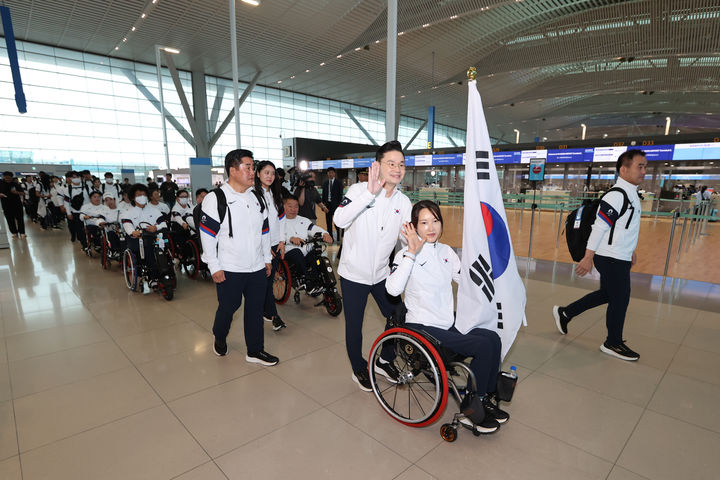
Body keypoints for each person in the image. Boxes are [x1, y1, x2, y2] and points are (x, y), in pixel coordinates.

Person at [386, 200, 507, 434]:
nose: (431, 227)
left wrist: (489, 279)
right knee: (482, 346)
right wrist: (411, 253)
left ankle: (486, 399)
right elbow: (392, 290)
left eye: (435, 221)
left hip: (448, 323)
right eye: (423, 222)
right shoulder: (404, 255)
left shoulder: (446, 252)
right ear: (413, 226)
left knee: (493, 337)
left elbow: (465, 282)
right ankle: (473, 410)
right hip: (422, 327)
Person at [553, 149, 647, 361]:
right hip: (610, 256)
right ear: (624, 169)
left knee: (608, 294)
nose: (643, 171)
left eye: (645, 167)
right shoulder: (616, 195)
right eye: (639, 166)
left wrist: (630, 250)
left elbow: (623, 228)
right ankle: (612, 342)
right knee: (620, 299)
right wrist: (588, 257)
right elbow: (599, 227)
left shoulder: (631, 193)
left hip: (619, 255)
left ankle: (565, 313)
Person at [333, 140, 412, 391]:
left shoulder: (403, 202)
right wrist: (370, 192)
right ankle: (358, 367)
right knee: (354, 326)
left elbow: (405, 239)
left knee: (398, 316)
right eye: (392, 163)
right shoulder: (358, 191)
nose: (397, 169)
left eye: (401, 164)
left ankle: (384, 359)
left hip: (381, 274)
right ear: (377, 166)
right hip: (353, 274)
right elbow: (339, 219)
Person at [199, 149, 278, 366]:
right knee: (228, 307)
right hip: (230, 267)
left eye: (253, 167)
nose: (253, 172)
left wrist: (266, 259)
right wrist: (213, 266)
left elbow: (264, 231)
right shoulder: (216, 198)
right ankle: (219, 335)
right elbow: (207, 235)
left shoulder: (256, 196)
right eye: (248, 167)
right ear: (233, 170)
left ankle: (255, 350)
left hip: (256, 267)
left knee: (254, 309)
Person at [255, 161, 288, 331]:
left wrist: (282, 241)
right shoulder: (253, 195)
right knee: (265, 282)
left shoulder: (276, 194)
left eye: (272, 173)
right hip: (261, 247)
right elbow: (254, 225)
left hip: (275, 244)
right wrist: (265, 246)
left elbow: (281, 219)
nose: (270, 176)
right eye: (266, 172)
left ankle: (266, 311)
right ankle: (274, 315)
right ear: (258, 173)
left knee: (268, 281)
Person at [121, 184, 167, 292]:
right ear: (133, 197)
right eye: (139, 195)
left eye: (144, 194)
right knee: (147, 249)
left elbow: (163, 224)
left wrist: (156, 227)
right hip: (138, 238)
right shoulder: (127, 213)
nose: (142, 196)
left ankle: (165, 269)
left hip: (154, 236)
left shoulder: (154, 211)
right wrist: (133, 232)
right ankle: (152, 276)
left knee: (165, 244)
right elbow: (127, 226)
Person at [283, 195, 333, 295]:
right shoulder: (278, 221)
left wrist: (325, 234)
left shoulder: (303, 220)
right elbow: (275, 237)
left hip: (304, 249)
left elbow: (313, 229)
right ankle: (308, 282)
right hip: (288, 251)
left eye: (296, 206)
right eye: (290, 206)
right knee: (297, 252)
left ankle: (317, 281)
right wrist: (290, 239)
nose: (293, 209)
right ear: (283, 206)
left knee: (316, 251)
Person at [63, 171, 91, 249]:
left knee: (90, 228)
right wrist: (68, 213)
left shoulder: (87, 187)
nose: (76, 179)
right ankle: (84, 245)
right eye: (73, 177)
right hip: (76, 212)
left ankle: (91, 243)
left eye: (77, 177)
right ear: (71, 179)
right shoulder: (67, 189)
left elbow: (92, 198)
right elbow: (66, 202)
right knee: (80, 230)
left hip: (88, 212)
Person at [0, 171, 26, 238]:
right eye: (6, 178)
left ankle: (22, 232)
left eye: (9, 178)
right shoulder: (1, 184)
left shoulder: (15, 184)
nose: (8, 179)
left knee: (20, 219)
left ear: (11, 178)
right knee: (9, 219)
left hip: (17, 204)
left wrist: (16, 192)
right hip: (6, 204)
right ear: (3, 177)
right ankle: (14, 232)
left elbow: (23, 193)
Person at [322, 167, 343, 240]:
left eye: (331, 172)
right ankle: (330, 237)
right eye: (329, 173)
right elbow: (324, 195)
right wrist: (323, 206)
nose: (330, 174)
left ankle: (339, 237)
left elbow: (340, 195)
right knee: (328, 222)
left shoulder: (339, 182)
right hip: (327, 205)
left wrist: (339, 206)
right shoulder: (325, 183)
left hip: (336, 205)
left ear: (334, 173)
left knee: (337, 221)